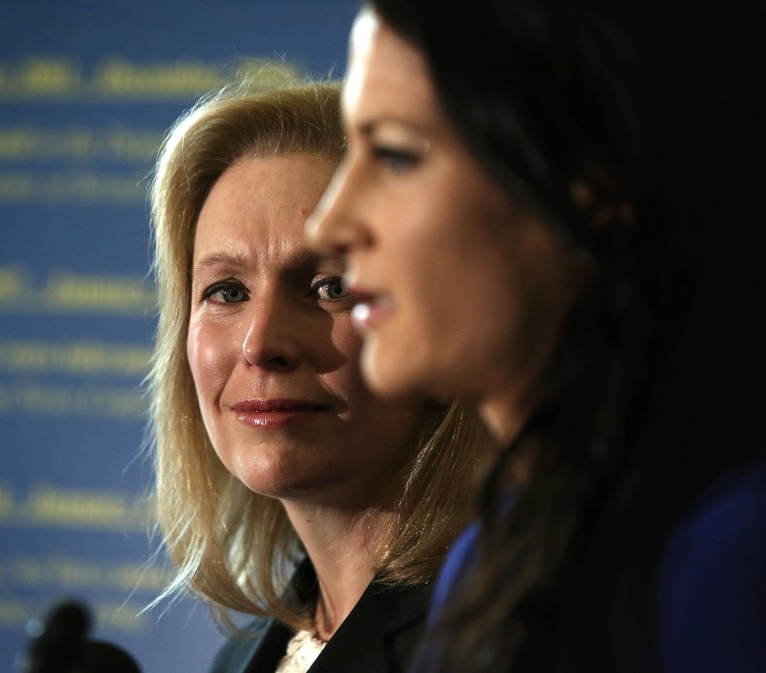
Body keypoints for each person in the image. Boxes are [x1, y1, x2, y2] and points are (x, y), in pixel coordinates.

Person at [307, 2, 766, 672]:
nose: (329, 223)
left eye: (397, 154)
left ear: (596, 187)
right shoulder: (493, 556)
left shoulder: (730, 560)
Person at [147, 79, 490, 673]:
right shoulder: (240, 661)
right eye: (227, 291)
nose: (261, 344)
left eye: (333, 288)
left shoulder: (508, 639)